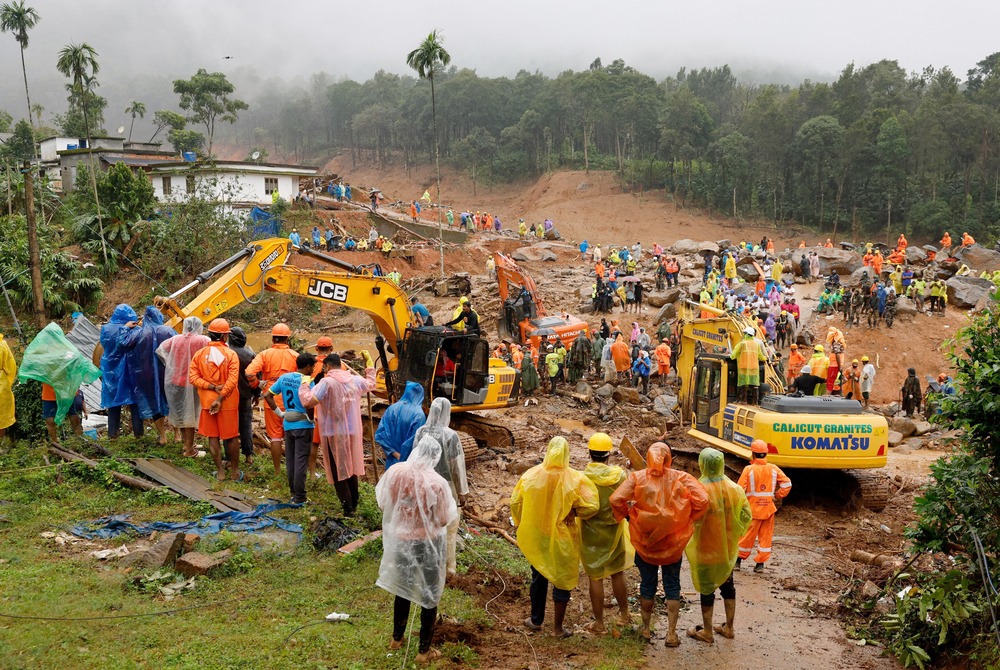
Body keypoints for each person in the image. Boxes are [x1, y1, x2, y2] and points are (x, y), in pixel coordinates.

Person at [610, 442, 709, 647]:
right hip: (673, 544)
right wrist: (687, 518)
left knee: (647, 586)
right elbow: (703, 499)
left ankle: (646, 630)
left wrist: (630, 516)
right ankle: (671, 635)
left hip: (646, 542)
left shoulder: (637, 478)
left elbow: (616, 499)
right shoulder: (681, 477)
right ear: (668, 458)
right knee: (672, 586)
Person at [377, 435, 457, 664]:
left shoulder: (396, 473)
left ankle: (397, 638)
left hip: (401, 541)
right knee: (429, 595)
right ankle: (424, 651)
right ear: (435, 457)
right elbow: (443, 519)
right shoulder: (437, 483)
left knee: (403, 588)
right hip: (428, 545)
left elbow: (384, 503)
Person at [511, 436, 599, 638]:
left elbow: (516, 502)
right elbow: (592, 505)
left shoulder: (531, 475)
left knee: (539, 576)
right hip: (563, 536)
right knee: (561, 580)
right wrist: (576, 512)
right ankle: (558, 628)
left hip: (538, 534)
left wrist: (520, 522)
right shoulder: (575, 479)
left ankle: (535, 620)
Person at [684, 448, 752, 643]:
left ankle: (707, 631)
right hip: (726, 549)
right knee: (728, 586)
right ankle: (729, 627)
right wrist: (733, 532)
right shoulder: (735, 489)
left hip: (705, 547)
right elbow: (746, 516)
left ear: (702, 464)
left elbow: (687, 517)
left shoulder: (697, 489)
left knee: (707, 589)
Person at [299, 350, 376, 514]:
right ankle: (354, 502)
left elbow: (308, 401)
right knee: (351, 467)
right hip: (353, 431)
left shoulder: (327, 383)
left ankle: (348, 507)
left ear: (326, 366)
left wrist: (305, 384)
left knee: (337, 470)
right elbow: (371, 384)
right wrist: (369, 364)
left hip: (333, 432)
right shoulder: (354, 380)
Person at [580, 433, 634, 635]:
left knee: (595, 576)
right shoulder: (619, 476)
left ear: (590, 453)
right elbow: (629, 498)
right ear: (608, 455)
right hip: (614, 530)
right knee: (617, 572)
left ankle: (599, 623)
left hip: (590, 532)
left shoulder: (583, 477)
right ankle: (624, 614)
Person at [413, 397, 468, 575]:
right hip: (446, 486)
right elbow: (457, 466)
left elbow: (415, 457)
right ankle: (449, 568)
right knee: (449, 527)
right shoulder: (451, 435)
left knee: (426, 524)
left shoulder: (421, 432)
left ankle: (425, 560)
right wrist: (462, 492)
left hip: (423, 483)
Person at [188, 319, 242, 482]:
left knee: (213, 437)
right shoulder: (231, 354)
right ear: (225, 336)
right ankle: (234, 472)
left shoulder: (199, 354)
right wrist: (220, 397)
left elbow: (193, 378)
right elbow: (232, 381)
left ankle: (220, 472)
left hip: (207, 403)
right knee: (231, 437)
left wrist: (211, 387)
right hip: (227, 403)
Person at [246, 323, 299, 475]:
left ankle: (277, 471)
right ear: (287, 339)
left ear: (273, 338)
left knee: (275, 438)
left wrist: (258, 385)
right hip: (292, 402)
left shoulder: (264, 355)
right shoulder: (295, 356)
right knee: (292, 436)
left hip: (272, 402)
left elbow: (249, 373)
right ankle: (292, 470)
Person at [264, 352, 316, 504]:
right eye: (312, 367)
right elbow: (309, 403)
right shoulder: (307, 381)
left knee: (291, 459)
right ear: (307, 367)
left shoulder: (284, 378)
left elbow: (268, 395)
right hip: (303, 424)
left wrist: (279, 413)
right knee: (301, 460)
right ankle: (300, 497)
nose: (313, 370)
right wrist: (311, 418)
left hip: (288, 423)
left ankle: (293, 492)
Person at [156, 316, 209, 457]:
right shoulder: (202, 340)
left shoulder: (175, 339)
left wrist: (172, 363)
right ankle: (190, 451)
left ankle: (187, 443)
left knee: (183, 413)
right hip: (193, 382)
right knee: (190, 415)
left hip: (175, 382)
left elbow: (160, 350)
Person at [737, 439, 792, 573]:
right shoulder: (773, 469)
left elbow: (739, 490)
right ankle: (760, 565)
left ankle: (737, 561)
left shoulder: (748, 469)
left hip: (753, 510)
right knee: (765, 538)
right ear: (766, 454)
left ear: (753, 454)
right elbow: (787, 484)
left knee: (746, 536)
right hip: (768, 510)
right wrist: (777, 496)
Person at [100, 304, 143, 439]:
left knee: (113, 404)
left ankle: (113, 435)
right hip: (131, 371)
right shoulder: (135, 329)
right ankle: (139, 435)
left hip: (111, 370)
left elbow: (103, 345)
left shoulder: (105, 329)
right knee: (135, 403)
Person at [375, 381, 426, 470]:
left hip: (391, 461)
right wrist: (403, 457)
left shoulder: (392, 408)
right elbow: (415, 441)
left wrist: (393, 452)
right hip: (408, 465)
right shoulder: (419, 415)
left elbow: (380, 434)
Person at [228, 326, 258, 465]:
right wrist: (257, 394)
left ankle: (229, 457)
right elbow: (255, 376)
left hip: (227, 395)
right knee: (246, 426)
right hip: (245, 396)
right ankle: (248, 456)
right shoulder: (250, 354)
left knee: (228, 426)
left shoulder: (226, 353)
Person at [730, 326, 765, 404]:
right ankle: (754, 402)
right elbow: (761, 356)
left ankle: (743, 400)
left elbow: (733, 355)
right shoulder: (756, 344)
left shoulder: (742, 344)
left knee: (742, 384)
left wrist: (732, 356)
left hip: (743, 367)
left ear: (746, 334)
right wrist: (765, 359)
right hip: (754, 368)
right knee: (754, 385)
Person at [0, 333, 14, 443]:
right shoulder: (2, 344)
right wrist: (9, 382)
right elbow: (11, 367)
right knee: (2, 416)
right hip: (1, 385)